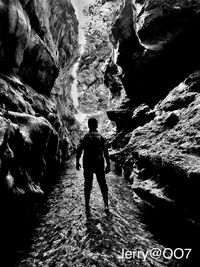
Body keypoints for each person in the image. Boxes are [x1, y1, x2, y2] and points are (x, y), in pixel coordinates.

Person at [76, 117, 110, 217]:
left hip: (87, 163)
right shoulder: (101, 137)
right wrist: (108, 164)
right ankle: (106, 205)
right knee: (103, 184)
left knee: (87, 185)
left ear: (88, 125)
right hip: (99, 163)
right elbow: (106, 151)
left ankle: (87, 205)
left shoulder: (84, 137)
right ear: (97, 125)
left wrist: (77, 162)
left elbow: (79, 150)